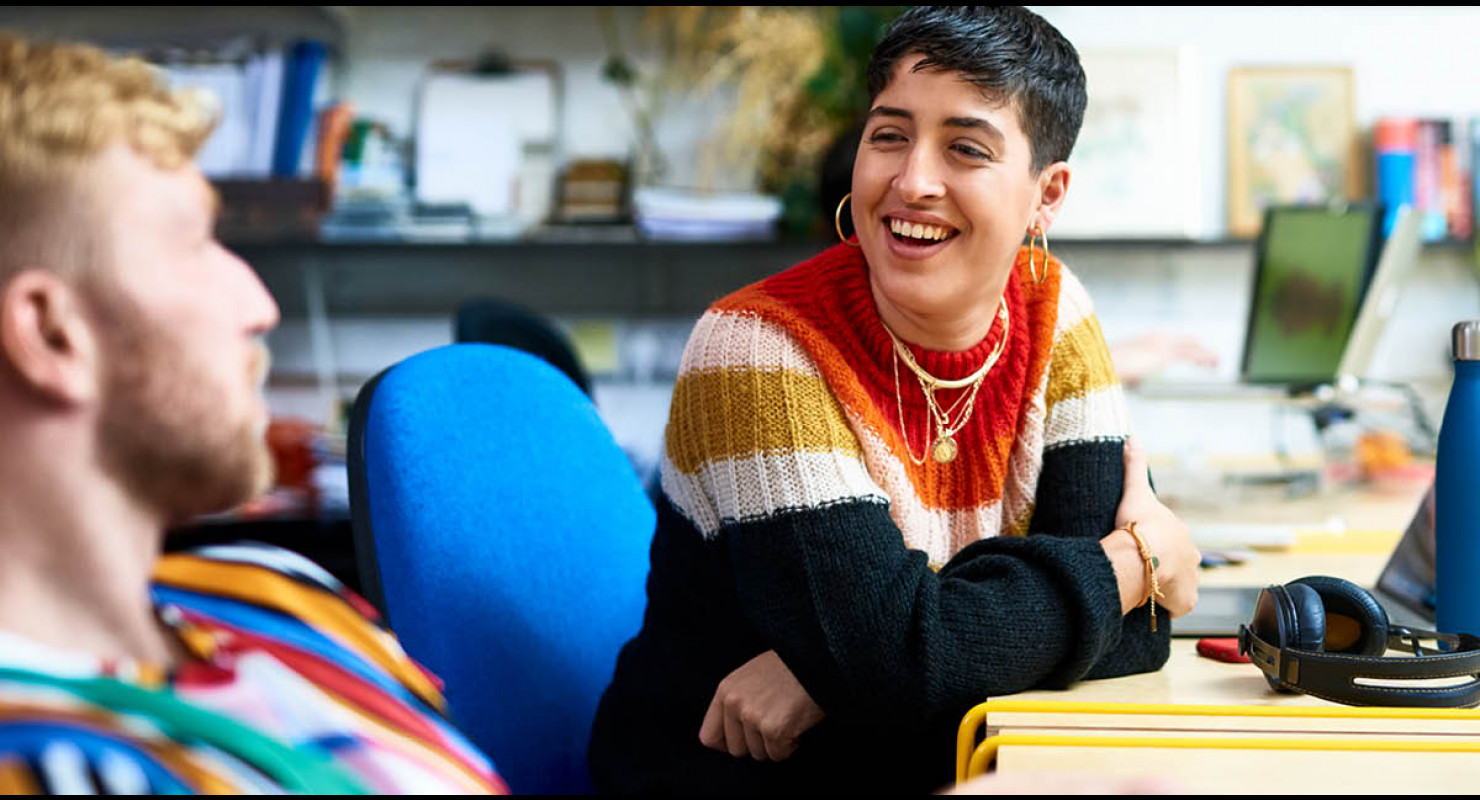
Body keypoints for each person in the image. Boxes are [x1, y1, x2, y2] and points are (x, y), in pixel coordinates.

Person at [589, 6, 1201, 794]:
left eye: (966, 149)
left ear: (1046, 196)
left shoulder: (1055, 310)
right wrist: (1133, 563)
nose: (912, 181)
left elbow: (1138, 639)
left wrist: (850, 665)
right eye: (889, 135)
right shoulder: (756, 350)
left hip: (930, 765)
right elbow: (902, 668)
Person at [0, 33, 504, 793]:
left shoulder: (277, 592)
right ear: (49, 333)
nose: (259, 305)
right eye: (199, 243)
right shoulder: (49, 763)